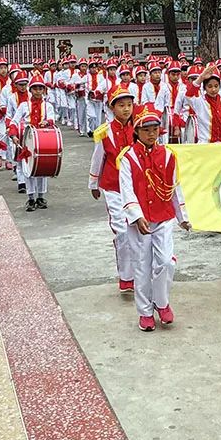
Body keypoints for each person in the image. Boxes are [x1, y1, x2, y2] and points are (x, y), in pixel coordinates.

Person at [119, 105, 190, 332]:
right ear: (137, 131)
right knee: (142, 265)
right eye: (146, 129)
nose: (151, 133)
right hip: (140, 222)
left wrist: (182, 217)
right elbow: (127, 190)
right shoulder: (128, 158)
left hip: (163, 217)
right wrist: (136, 216)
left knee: (166, 262)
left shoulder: (169, 155)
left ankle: (161, 302)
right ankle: (145, 312)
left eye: (155, 129)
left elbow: (174, 188)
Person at [89, 85, 137, 293]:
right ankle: (126, 276)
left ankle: (141, 272)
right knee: (122, 231)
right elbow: (98, 158)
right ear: (112, 108)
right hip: (113, 187)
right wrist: (93, 183)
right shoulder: (105, 131)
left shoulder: (140, 128)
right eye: (121, 106)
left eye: (129, 105)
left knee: (139, 231)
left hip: (137, 188)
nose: (126, 109)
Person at [9, 76, 56, 211]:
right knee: (28, 170)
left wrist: (47, 122)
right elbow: (14, 121)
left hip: (43, 142)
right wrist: (13, 135)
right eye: (35, 88)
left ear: (44, 90)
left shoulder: (48, 106)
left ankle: (40, 197)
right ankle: (30, 198)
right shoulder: (24, 106)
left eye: (40, 88)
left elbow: (52, 119)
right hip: (27, 140)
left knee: (42, 169)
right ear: (31, 90)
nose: (37, 91)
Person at [177, 66, 221, 143]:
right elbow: (188, 95)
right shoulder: (200, 102)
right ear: (204, 88)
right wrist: (201, 78)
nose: (213, 89)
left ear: (220, 87)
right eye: (209, 86)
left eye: (216, 86)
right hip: (205, 147)